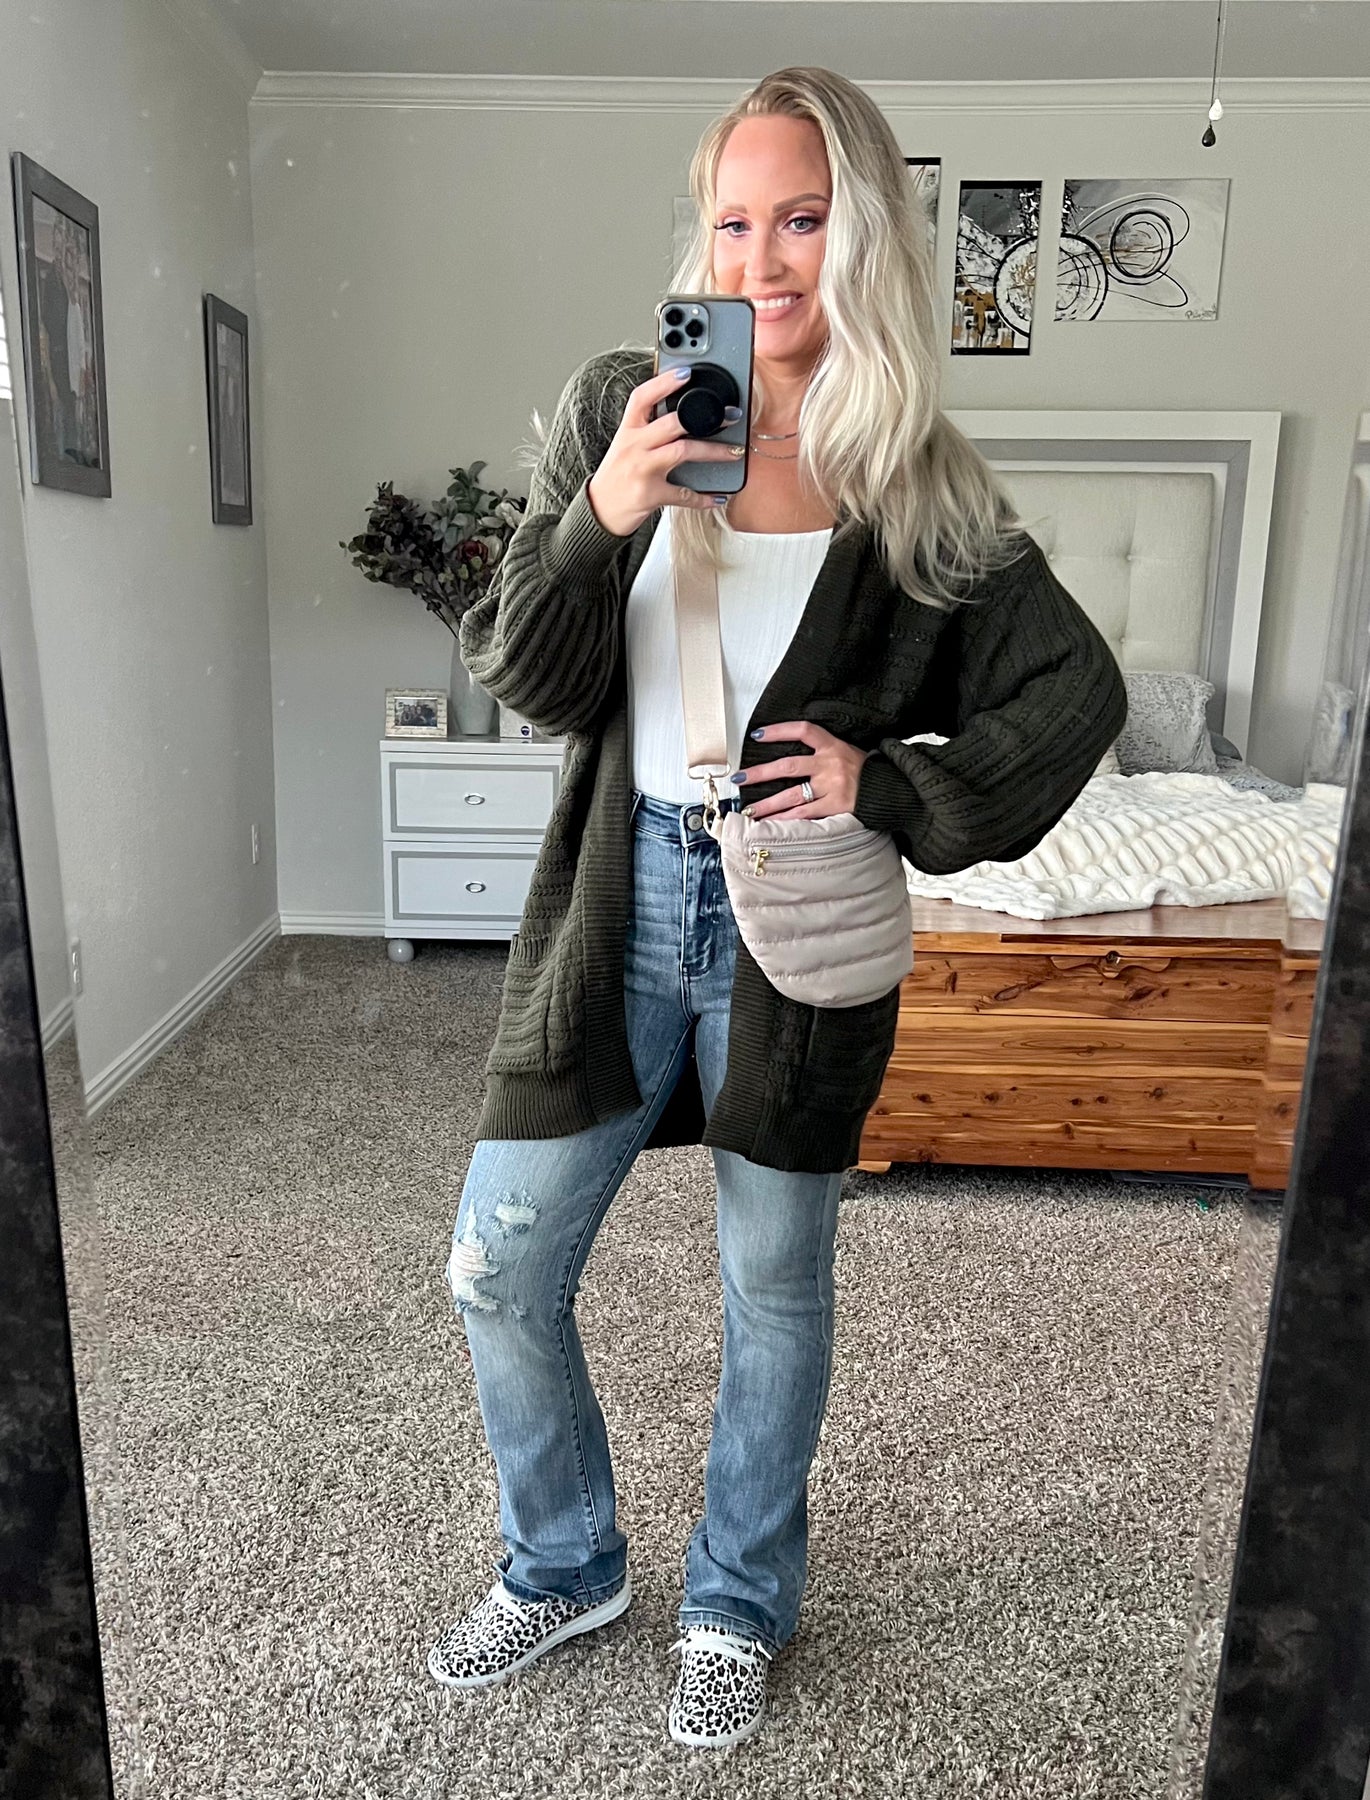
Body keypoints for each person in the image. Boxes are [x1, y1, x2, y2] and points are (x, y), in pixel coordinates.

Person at [427, 65, 1126, 1749]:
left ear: (861, 230)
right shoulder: (625, 404)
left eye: (800, 219)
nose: (760, 259)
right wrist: (606, 512)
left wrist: (888, 786)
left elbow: (1073, 693)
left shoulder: (915, 477)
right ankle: (564, 1562)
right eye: (732, 221)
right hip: (617, 901)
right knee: (497, 1266)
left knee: (773, 1287)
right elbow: (525, 668)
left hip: (796, 926)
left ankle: (735, 1601)